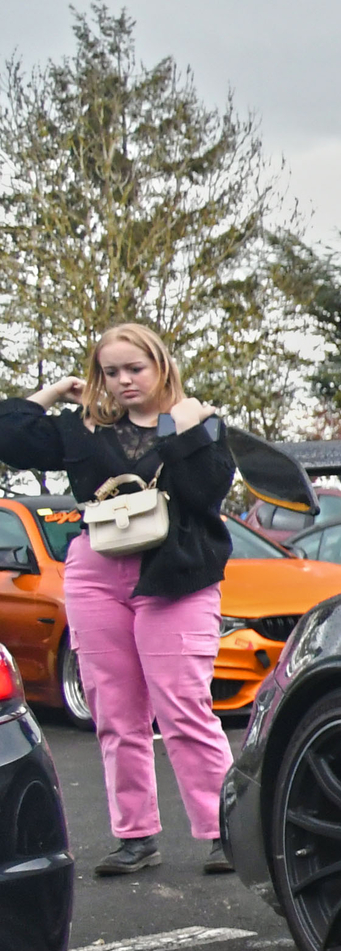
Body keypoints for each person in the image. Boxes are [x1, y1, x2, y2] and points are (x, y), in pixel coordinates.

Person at [0, 323, 236, 875]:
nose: (124, 380)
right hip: (95, 573)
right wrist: (55, 392)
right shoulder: (85, 429)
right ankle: (135, 837)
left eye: (136, 368)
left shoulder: (197, 423)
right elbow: (9, 434)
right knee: (114, 711)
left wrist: (181, 426)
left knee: (184, 707)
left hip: (177, 574)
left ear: (160, 366)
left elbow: (205, 494)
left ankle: (226, 829)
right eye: (111, 371)